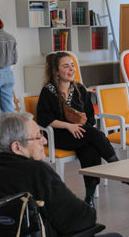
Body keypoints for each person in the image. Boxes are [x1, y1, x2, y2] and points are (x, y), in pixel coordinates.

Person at [0, 112, 129, 237]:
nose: (44, 142)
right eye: (38, 137)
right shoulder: (36, 171)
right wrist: (88, 211)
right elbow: (81, 218)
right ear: (17, 147)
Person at [36, 52, 118, 206]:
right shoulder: (48, 91)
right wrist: (69, 125)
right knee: (94, 135)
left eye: (72, 65)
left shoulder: (80, 89)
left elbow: (91, 118)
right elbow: (43, 119)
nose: (71, 68)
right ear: (56, 71)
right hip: (59, 136)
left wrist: (82, 122)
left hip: (80, 134)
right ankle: (118, 168)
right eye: (66, 66)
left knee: (91, 150)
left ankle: (89, 198)